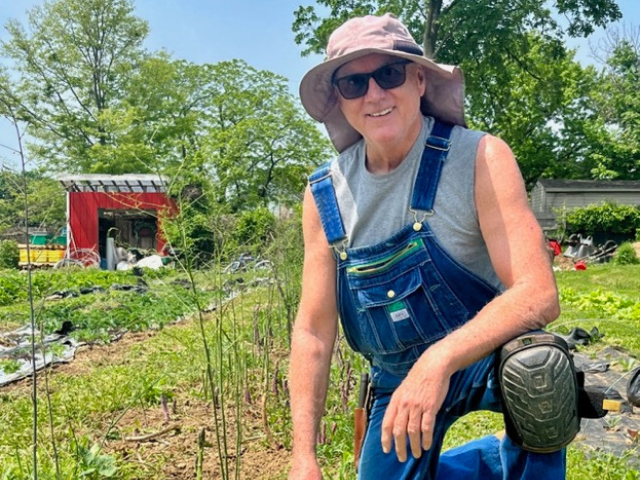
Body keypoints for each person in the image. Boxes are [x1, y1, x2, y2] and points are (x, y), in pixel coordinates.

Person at [289, 13, 578, 480]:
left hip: (488, 354)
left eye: (389, 74)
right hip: (395, 378)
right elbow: (313, 332)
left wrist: (438, 360)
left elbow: (537, 293)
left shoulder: (480, 156)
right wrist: (304, 456)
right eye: (354, 83)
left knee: (538, 372)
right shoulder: (325, 194)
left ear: (419, 79)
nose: (374, 95)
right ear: (338, 100)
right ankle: (488, 463)